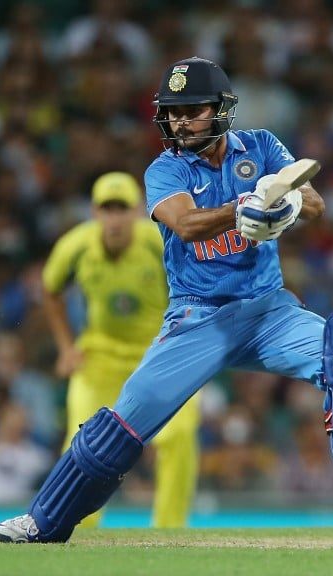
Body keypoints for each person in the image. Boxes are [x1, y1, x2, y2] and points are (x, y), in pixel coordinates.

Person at [0, 57, 333, 543]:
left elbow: (316, 203)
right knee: (125, 423)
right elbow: (187, 225)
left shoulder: (261, 146)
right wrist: (242, 210)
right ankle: (43, 520)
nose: (179, 122)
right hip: (198, 317)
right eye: (172, 112)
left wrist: (283, 203)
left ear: (220, 109)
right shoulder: (165, 169)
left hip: (268, 311)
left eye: (191, 111)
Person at [42, 171, 199, 528]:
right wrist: (66, 347)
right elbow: (50, 290)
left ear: (137, 212)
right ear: (95, 213)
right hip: (100, 355)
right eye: (107, 209)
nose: (114, 219)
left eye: (122, 209)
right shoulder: (76, 246)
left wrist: (186, 341)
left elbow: (195, 282)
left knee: (179, 434)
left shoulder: (158, 241)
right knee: (82, 439)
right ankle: (77, 528)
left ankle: (170, 529)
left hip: (157, 354)